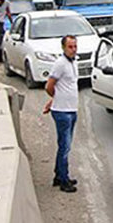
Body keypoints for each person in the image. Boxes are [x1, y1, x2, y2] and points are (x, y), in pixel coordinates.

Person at [43, 35, 80, 193]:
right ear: (63, 48)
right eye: (70, 47)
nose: (73, 49)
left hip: (71, 109)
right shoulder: (60, 64)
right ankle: (64, 180)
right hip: (63, 112)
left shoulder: (74, 63)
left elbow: (66, 86)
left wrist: (54, 100)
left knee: (65, 145)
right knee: (65, 147)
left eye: (75, 46)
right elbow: (49, 86)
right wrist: (55, 101)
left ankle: (59, 175)